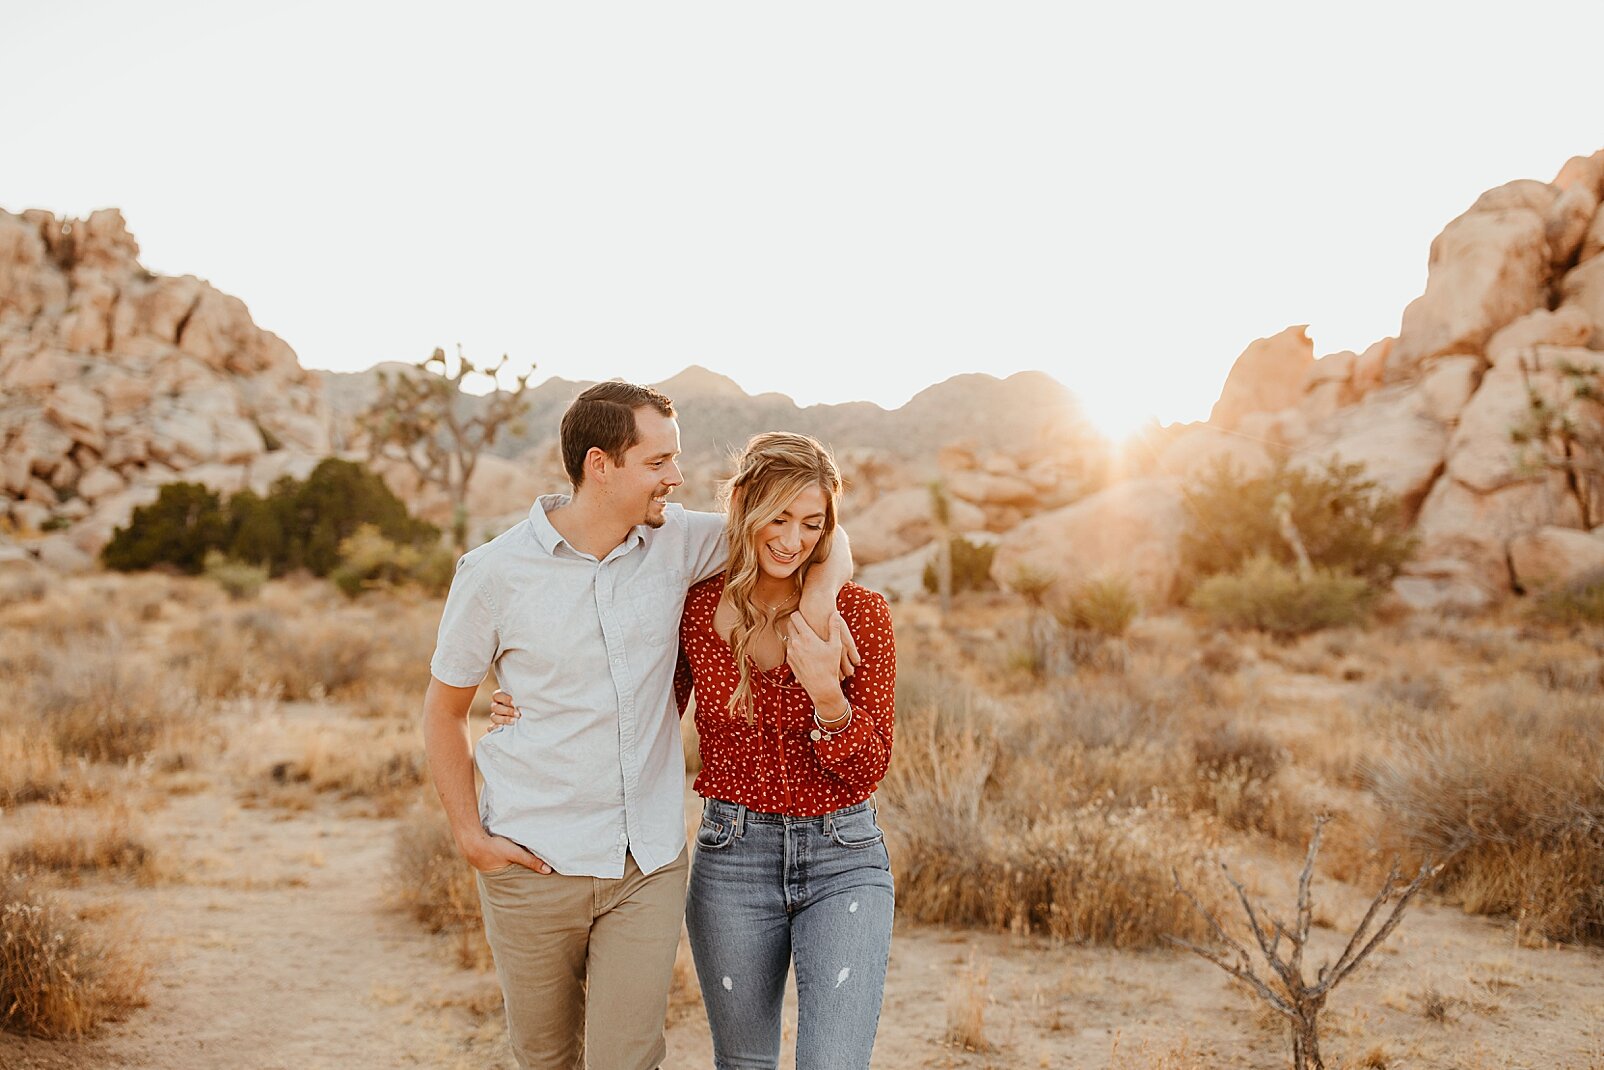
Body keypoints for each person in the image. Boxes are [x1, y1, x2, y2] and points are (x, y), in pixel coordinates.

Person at [423, 384, 855, 1070]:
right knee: (543, 1057)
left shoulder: (678, 540)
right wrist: (469, 837)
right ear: (601, 464)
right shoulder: (493, 573)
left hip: (644, 866)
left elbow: (813, 532)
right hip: (533, 858)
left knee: (626, 1060)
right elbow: (443, 713)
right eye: (658, 462)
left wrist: (823, 603)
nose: (677, 478)